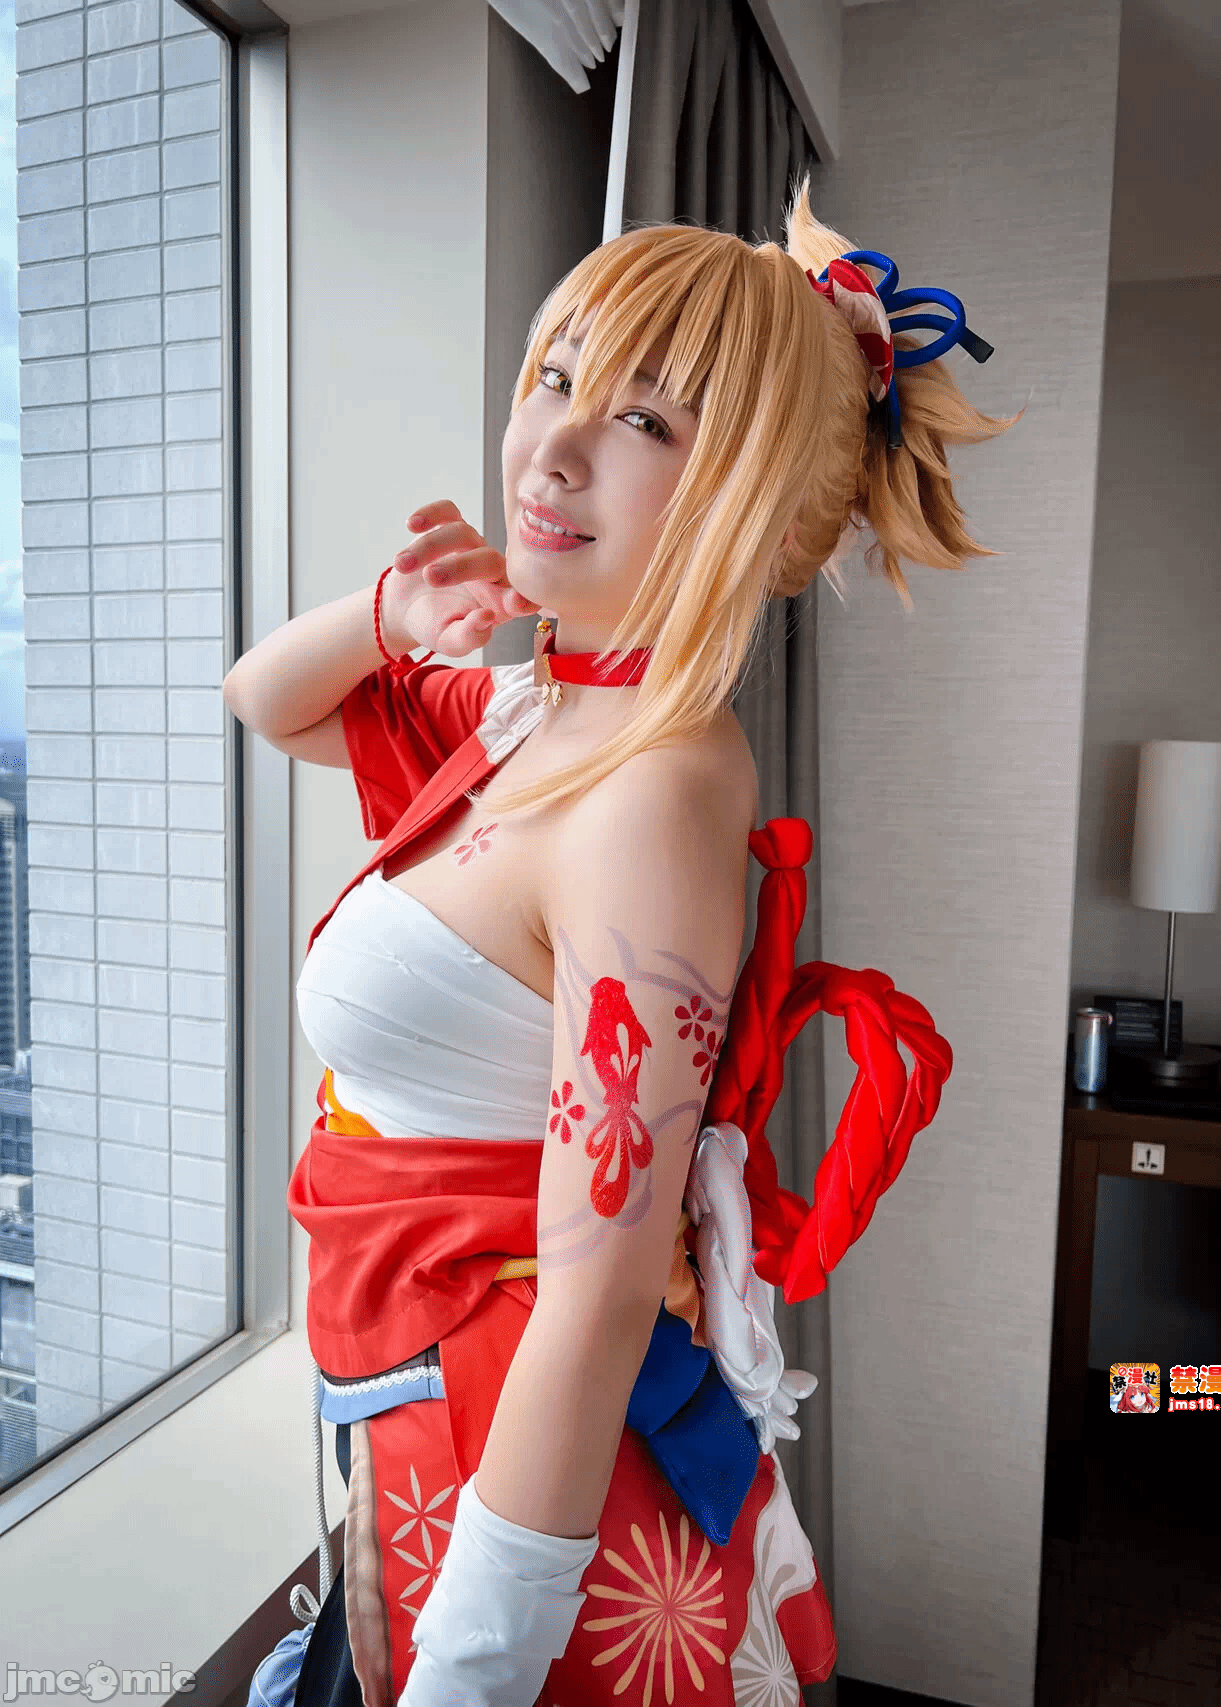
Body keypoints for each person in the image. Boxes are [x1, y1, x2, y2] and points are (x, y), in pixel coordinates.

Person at [227, 177, 1012, 1707]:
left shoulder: (650, 787)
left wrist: (473, 1674)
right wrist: (393, 611)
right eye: (557, 375)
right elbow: (267, 698)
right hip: (415, 1369)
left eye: (646, 420)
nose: (554, 444)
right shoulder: (541, 705)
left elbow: (596, 1293)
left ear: (746, 503)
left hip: (502, 1434)